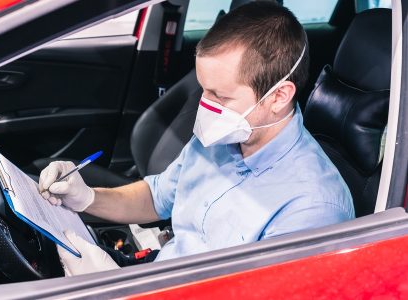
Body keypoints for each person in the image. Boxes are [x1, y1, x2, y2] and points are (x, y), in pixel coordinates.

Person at [38, 1, 355, 276]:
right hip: (160, 273)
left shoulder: (313, 208)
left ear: (278, 96)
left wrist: (113, 289)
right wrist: (88, 197)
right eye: (203, 89)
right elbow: (157, 196)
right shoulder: (221, 138)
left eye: (220, 97)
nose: (204, 106)